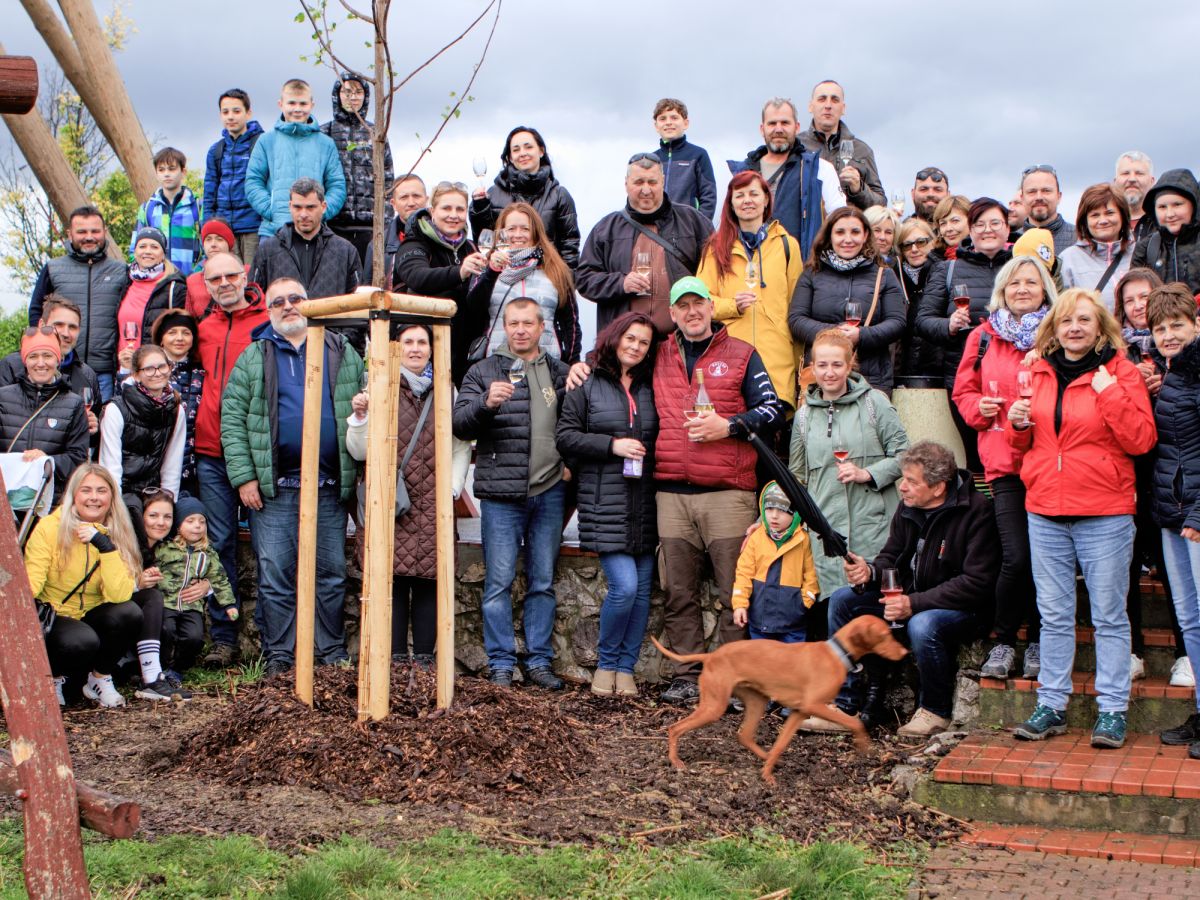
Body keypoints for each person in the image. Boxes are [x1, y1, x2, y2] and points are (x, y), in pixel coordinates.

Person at [1007, 289, 1156, 749]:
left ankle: (1112, 711)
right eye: (1066, 320)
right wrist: (1017, 426)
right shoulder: (1037, 371)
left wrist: (1109, 394)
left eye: (1084, 321)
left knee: (1109, 616)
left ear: (1100, 328)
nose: (1074, 328)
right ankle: (1051, 704)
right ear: (1054, 327)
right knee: (1053, 615)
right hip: (1046, 509)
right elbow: (1022, 452)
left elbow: (1141, 441)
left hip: (1105, 511)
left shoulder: (1121, 373)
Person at [802, 441, 1001, 738]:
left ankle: (935, 711)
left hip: (963, 609)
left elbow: (977, 583)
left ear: (938, 488)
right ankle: (843, 705)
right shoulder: (909, 507)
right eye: (902, 479)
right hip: (910, 599)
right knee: (843, 600)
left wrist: (914, 603)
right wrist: (869, 572)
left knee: (924, 624)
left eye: (911, 481)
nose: (902, 487)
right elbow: (890, 558)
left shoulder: (978, 512)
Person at [649, 277, 785, 704]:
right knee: (678, 591)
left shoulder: (742, 354)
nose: (691, 312)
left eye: (698, 304)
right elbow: (609, 367)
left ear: (712, 308)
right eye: (682, 306)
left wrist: (729, 426)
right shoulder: (658, 353)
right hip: (671, 492)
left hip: (728, 492)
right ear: (672, 313)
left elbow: (773, 410)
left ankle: (729, 677)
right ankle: (688, 676)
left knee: (734, 592)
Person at [222, 278, 363, 676]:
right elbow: (232, 421)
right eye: (278, 302)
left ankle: (329, 651)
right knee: (275, 574)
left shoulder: (340, 351)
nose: (288, 306)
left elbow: (365, 405)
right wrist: (245, 478)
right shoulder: (254, 356)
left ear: (310, 304)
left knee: (331, 574)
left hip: (329, 487)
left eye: (296, 299)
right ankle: (280, 655)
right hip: (273, 490)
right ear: (268, 311)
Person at [453, 298, 570, 689]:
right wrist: (486, 404)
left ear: (542, 327)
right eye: (513, 323)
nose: (520, 330)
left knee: (542, 582)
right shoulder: (483, 371)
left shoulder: (559, 371)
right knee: (498, 583)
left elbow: (576, 421)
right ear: (503, 327)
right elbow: (459, 425)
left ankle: (539, 662)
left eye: (527, 323)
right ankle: (501, 662)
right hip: (502, 496)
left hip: (549, 490)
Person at [952, 256, 1058, 680]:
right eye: (1015, 283)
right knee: (1016, 556)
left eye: (1032, 282)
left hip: (1050, 460)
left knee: (1043, 559)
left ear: (1045, 289)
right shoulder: (982, 336)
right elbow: (963, 392)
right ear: (1002, 289)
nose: (1022, 289)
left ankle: (1036, 641)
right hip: (1003, 462)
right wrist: (979, 407)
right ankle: (1003, 642)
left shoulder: (1057, 334)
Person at [346, 323, 470, 665]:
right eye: (408, 342)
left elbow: (460, 446)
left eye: (422, 342)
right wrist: (359, 418)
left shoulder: (447, 389)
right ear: (396, 348)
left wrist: (453, 489)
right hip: (391, 499)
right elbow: (358, 452)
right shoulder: (378, 385)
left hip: (433, 500)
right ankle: (396, 659)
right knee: (394, 580)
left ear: (432, 348)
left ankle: (425, 663)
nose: (415, 348)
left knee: (430, 578)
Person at [556, 311, 659, 697]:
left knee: (643, 591)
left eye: (643, 342)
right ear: (615, 337)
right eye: (629, 338)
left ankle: (626, 669)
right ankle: (606, 663)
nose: (635, 346)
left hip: (646, 501)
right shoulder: (586, 381)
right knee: (625, 587)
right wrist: (611, 446)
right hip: (605, 499)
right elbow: (565, 437)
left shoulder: (652, 385)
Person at [788, 329, 908, 646]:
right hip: (826, 535)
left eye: (837, 365)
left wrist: (867, 473)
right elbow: (796, 478)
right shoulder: (802, 418)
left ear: (850, 364)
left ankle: (871, 689)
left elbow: (906, 456)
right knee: (835, 616)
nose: (829, 372)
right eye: (822, 365)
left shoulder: (874, 405)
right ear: (811, 367)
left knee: (872, 616)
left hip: (874, 528)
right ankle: (843, 693)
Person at [193, 251, 269, 667]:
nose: (223, 283)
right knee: (218, 546)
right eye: (215, 278)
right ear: (206, 285)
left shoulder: (264, 322)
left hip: (256, 453)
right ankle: (224, 639)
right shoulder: (202, 328)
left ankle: (276, 641)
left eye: (230, 275)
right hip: (210, 452)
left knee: (267, 547)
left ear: (245, 277)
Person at [24, 464, 141, 708]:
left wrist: (105, 546)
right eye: (86, 490)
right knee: (82, 639)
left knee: (130, 613)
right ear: (73, 495)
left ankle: (99, 678)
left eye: (101, 490)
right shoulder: (49, 528)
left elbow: (120, 594)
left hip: (90, 611)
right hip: (56, 615)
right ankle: (51, 680)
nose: (94, 498)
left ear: (111, 496)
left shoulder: (118, 530)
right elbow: (32, 581)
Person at [917, 197, 1014, 471]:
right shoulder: (948, 270)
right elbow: (923, 321)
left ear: (1008, 228)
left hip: (1015, 379)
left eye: (995, 223)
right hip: (966, 380)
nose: (987, 230)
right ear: (970, 231)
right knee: (977, 459)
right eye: (979, 224)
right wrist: (948, 325)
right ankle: (985, 512)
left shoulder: (1022, 267)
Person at [1115, 267, 1178, 684]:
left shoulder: (1179, 347)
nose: (1138, 306)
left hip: (1172, 469)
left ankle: (1186, 652)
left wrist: (1164, 385)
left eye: (1145, 298)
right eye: (1130, 300)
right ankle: (1133, 648)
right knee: (1129, 559)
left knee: (1173, 564)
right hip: (1129, 469)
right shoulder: (1113, 352)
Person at [1145, 284, 1200, 759]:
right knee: (1191, 619)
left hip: (1196, 514)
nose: (1168, 335)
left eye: (1176, 325)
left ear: (1196, 324)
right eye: (1160, 328)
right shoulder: (1173, 374)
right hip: (1172, 513)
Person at [697, 170, 804, 412]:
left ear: (766, 200)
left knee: (772, 438)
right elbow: (700, 303)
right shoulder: (715, 248)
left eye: (754, 194)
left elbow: (796, 305)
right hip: (730, 356)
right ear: (731, 203)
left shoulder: (787, 245)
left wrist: (799, 364)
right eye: (740, 195)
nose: (747, 200)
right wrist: (731, 306)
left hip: (777, 358)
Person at [576, 154, 713, 337]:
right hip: (627, 348)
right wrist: (621, 283)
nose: (646, 190)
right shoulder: (606, 229)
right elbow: (584, 279)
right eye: (639, 182)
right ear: (626, 183)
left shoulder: (693, 221)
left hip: (681, 344)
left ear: (663, 181)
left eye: (652, 182)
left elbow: (719, 272)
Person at [788, 207, 907, 393]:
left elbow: (897, 322)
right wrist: (834, 334)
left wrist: (861, 335)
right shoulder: (811, 274)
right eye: (840, 232)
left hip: (871, 377)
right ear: (830, 235)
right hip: (822, 375)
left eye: (855, 232)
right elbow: (796, 319)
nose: (848, 239)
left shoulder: (884, 275)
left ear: (866, 235)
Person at [29, 206, 129, 400]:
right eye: (82, 231)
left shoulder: (120, 270)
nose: (89, 237)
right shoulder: (53, 268)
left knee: (99, 426)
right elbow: (36, 312)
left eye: (95, 231)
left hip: (104, 372)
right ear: (70, 234)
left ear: (104, 232)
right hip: (59, 368)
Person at [464, 202, 581, 363]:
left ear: (535, 232)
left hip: (547, 363)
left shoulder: (555, 269)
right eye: (511, 229)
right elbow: (473, 309)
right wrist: (492, 272)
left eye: (525, 229)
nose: (518, 234)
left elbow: (571, 321)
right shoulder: (487, 266)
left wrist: (573, 362)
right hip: (497, 362)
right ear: (501, 233)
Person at [397, 181, 489, 384]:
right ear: (432, 210)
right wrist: (460, 272)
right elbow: (417, 277)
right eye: (446, 208)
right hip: (427, 351)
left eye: (459, 209)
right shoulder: (413, 244)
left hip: (468, 353)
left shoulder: (472, 247)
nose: (453, 215)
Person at [728, 97, 843, 259]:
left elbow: (839, 219)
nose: (778, 129)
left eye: (785, 123)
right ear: (762, 129)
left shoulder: (819, 169)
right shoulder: (743, 172)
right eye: (772, 123)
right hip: (751, 269)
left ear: (797, 127)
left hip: (802, 271)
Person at [244, 78, 346, 240]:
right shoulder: (266, 141)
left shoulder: (325, 144)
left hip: (315, 234)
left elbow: (337, 185)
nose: (297, 109)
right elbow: (253, 181)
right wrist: (272, 210)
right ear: (281, 104)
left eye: (303, 104)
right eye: (291, 103)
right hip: (273, 232)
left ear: (312, 105)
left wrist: (321, 212)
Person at [469, 126, 581, 267]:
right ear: (509, 157)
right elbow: (483, 242)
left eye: (528, 147)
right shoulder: (493, 194)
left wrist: (565, 283)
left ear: (541, 151)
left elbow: (570, 247)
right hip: (503, 280)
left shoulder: (560, 195)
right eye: (516, 150)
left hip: (546, 280)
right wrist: (479, 208)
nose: (522, 153)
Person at [152, 495, 237, 678]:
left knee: (195, 638)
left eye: (202, 521)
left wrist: (229, 605)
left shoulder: (208, 554)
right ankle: (161, 668)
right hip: (167, 603)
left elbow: (220, 579)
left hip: (192, 606)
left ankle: (178, 668)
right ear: (178, 525)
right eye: (190, 521)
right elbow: (151, 569)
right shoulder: (165, 549)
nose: (197, 525)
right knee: (166, 631)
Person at [0, 327, 89, 499]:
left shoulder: (74, 404)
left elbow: (78, 459)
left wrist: (48, 461)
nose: (41, 363)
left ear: (58, 359)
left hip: (52, 501)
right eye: (33, 356)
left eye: (47, 356)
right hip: (6, 502)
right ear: (25, 361)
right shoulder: (3, 398)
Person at [731, 481, 819, 645]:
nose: (774, 516)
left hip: (793, 624)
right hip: (760, 622)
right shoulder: (756, 539)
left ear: (795, 513)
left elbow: (811, 574)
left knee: (792, 668)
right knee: (763, 668)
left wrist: (805, 602)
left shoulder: (804, 540)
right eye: (769, 508)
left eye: (782, 510)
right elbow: (743, 574)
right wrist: (740, 605)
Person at [321, 73, 395, 263]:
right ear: (337, 95)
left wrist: (385, 221)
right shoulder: (324, 132)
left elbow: (388, 179)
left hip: (370, 226)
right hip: (334, 225)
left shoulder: (377, 133)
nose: (352, 97)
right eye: (346, 91)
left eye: (358, 92)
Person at [98, 344, 187, 502]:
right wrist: (116, 507)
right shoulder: (116, 409)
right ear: (136, 374)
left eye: (162, 367)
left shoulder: (176, 409)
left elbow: (172, 464)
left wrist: (167, 505)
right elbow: (110, 465)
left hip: (152, 493)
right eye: (149, 369)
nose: (157, 373)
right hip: (122, 492)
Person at [0, 295, 101, 432]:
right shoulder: (11, 366)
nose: (66, 333)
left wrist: (93, 430)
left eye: (72, 327)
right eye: (59, 325)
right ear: (42, 325)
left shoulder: (87, 375)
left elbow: (91, 441)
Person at [798, 80, 886, 210]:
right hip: (807, 228)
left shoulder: (862, 150)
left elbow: (881, 205)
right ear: (811, 106)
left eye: (834, 100)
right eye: (822, 99)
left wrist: (859, 188)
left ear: (843, 108)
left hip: (848, 227)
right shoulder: (797, 146)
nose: (828, 105)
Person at [203, 88, 264, 267]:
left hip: (253, 227)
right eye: (225, 112)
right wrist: (207, 227)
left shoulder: (261, 144)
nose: (231, 117)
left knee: (253, 277)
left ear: (248, 113)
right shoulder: (216, 150)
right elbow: (209, 192)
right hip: (224, 228)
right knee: (228, 276)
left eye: (236, 111)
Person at [115, 227, 187, 377]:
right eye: (142, 246)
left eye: (154, 247)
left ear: (163, 253)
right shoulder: (123, 281)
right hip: (125, 367)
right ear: (135, 252)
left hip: (156, 371)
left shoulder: (174, 286)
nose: (147, 251)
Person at [150, 310, 205, 497]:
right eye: (172, 332)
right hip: (153, 464)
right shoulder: (149, 371)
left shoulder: (201, 372)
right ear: (161, 338)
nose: (179, 338)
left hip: (190, 467)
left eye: (186, 332)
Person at [1060, 183, 1134, 312]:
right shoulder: (1068, 259)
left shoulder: (1139, 252)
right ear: (1085, 221)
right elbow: (1063, 311)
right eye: (1095, 215)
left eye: (1110, 213)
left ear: (1123, 216)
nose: (1103, 220)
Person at [130, 147, 202, 275]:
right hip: (157, 280)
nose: (166, 174)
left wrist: (198, 272)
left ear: (183, 172)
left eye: (172, 169)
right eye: (161, 170)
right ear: (156, 174)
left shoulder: (197, 206)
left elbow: (208, 245)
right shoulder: (148, 209)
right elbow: (135, 248)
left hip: (189, 278)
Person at [1131, 169, 1200, 295]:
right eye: (1162, 207)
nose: (1170, 214)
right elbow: (1136, 295)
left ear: (1194, 205)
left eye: (1177, 205)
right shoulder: (1146, 247)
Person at [650, 97, 717, 220]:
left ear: (686, 123)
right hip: (656, 229)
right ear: (656, 126)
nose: (668, 122)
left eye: (674, 117)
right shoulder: (652, 160)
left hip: (687, 228)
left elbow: (708, 196)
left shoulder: (698, 155)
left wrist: (699, 227)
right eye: (662, 118)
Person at [892, 218, 942, 378]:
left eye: (921, 242)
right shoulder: (893, 275)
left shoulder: (944, 272)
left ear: (932, 243)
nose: (914, 249)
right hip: (901, 365)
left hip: (937, 364)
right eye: (907, 245)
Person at [365, 174, 428, 290]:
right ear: (393, 204)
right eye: (404, 197)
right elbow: (368, 288)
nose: (411, 202)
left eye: (416, 196)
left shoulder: (441, 236)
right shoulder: (377, 245)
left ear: (427, 199)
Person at [185, 219, 239, 319]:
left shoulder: (244, 273)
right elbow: (189, 320)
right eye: (208, 239)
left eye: (219, 239)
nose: (213, 244)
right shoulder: (192, 280)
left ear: (229, 243)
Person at [1019, 165, 1075, 255]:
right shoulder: (1010, 243)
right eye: (1032, 192)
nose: (1039, 197)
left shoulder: (1080, 240)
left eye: (1046, 190)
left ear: (1059, 196)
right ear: (1022, 198)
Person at [1114, 151, 1156, 239]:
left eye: (1139, 173)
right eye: (1125, 173)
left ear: (1152, 181)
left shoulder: (1164, 224)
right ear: (1115, 182)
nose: (1132, 179)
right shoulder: (1102, 224)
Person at [930, 194, 971, 261]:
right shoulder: (933, 260)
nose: (948, 229)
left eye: (955, 221)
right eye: (943, 223)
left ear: (970, 221)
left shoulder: (985, 256)